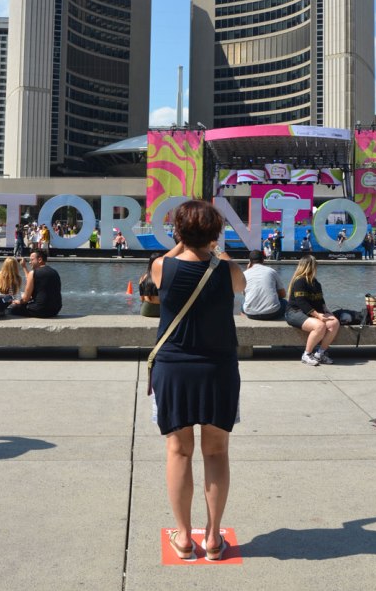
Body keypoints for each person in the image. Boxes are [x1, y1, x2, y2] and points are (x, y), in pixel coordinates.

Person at [150, 200, 245, 561]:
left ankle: (185, 537)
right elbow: (237, 283)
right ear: (216, 234)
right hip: (218, 369)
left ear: (178, 232)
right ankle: (213, 539)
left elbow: (169, 260)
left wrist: (182, 241)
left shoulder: (162, 267)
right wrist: (212, 250)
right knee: (217, 452)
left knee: (178, 451)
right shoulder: (230, 270)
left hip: (174, 368)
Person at [285, 255, 340, 365]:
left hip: (310, 313)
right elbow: (302, 303)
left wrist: (327, 312)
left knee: (334, 323)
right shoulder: (299, 281)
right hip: (294, 312)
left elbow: (320, 301)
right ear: (310, 266)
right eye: (315, 265)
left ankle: (320, 354)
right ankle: (307, 354)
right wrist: (318, 316)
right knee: (319, 326)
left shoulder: (315, 283)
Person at [8, 251, 62, 318]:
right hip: (55, 310)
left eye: (32, 260)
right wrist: (24, 267)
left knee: (13, 308)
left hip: (40, 310)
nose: (30, 262)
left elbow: (25, 299)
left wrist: (17, 302)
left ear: (39, 260)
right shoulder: (54, 272)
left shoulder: (33, 273)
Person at [242, 249, 287, 320]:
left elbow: (245, 294)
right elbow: (283, 295)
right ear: (263, 260)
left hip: (251, 314)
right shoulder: (272, 271)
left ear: (249, 262)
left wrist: (248, 270)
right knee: (284, 302)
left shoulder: (244, 274)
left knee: (243, 302)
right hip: (272, 313)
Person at [138, 252, 161, 317]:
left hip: (147, 310)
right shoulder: (166, 276)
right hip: (163, 310)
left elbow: (142, 299)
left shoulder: (143, 278)